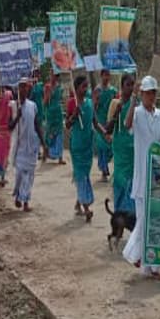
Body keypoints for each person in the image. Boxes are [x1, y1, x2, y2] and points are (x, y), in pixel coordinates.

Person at [123, 76, 160, 279]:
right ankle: (139, 258)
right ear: (142, 94)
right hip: (142, 176)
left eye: (153, 92)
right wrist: (133, 98)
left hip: (158, 176)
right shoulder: (137, 113)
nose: (151, 96)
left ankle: (149, 263)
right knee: (144, 219)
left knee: (156, 221)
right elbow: (126, 124)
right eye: (147, 93)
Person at [66, 74, 99, 221]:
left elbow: (95, 122)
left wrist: (106, 135)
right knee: (82, 177)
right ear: (76, 88)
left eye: (87, 86)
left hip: (88, 147)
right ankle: (86, 208)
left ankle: (78, 203)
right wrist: (74, 115)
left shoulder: (89, 104)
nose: (86, 89)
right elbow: (67, 125)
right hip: (77, 147)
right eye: (83, 86)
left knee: (84, 175)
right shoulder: (72, 104)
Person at [11, 77, 44, 210]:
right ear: (17, 89)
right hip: (20, 147)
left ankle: (25, 201)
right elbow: (9, 126)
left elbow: (37, 125)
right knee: (19, 175)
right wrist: (17, 116)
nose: (23, 89)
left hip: (32, 147)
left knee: (29, 176)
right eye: (21, 87)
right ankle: (19, 194)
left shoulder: (33, 105)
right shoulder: (13, 106)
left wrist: (44, 144)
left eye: (25, 87)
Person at [108, 73, 138, 218]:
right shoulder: (115, 103)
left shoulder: (136, 106)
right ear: (122, 87)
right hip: (120, 150)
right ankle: (119, 216)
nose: (131, 88)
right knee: (121, 181)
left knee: (132, 184)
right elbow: (108, 129)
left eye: (133, 85)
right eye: (128, 85)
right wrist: (116, 114)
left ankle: (130, 219)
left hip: (133, 151)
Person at [94, 69, 117, 182]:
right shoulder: (97, 90)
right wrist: (97, 101)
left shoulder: (113, 90)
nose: (107, 77)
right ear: (101, 76)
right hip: (100, 122)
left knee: (110, 146)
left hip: (110, 122)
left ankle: (106, 165)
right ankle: (104, 171)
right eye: (105, 75)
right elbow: (94, 107)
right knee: (102, 147)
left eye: (108, 75)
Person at [44, 73, 66, 163]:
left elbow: (61, 99)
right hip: (50, 113)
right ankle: (46, 154)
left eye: (55, 75)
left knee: (60, 133)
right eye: (51, 75)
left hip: (58, 113)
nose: (53, 77)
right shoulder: (47, 87)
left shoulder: (59, 87)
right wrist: (49, 94)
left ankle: (60, 157)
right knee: (49, 133)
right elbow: (45, 102)